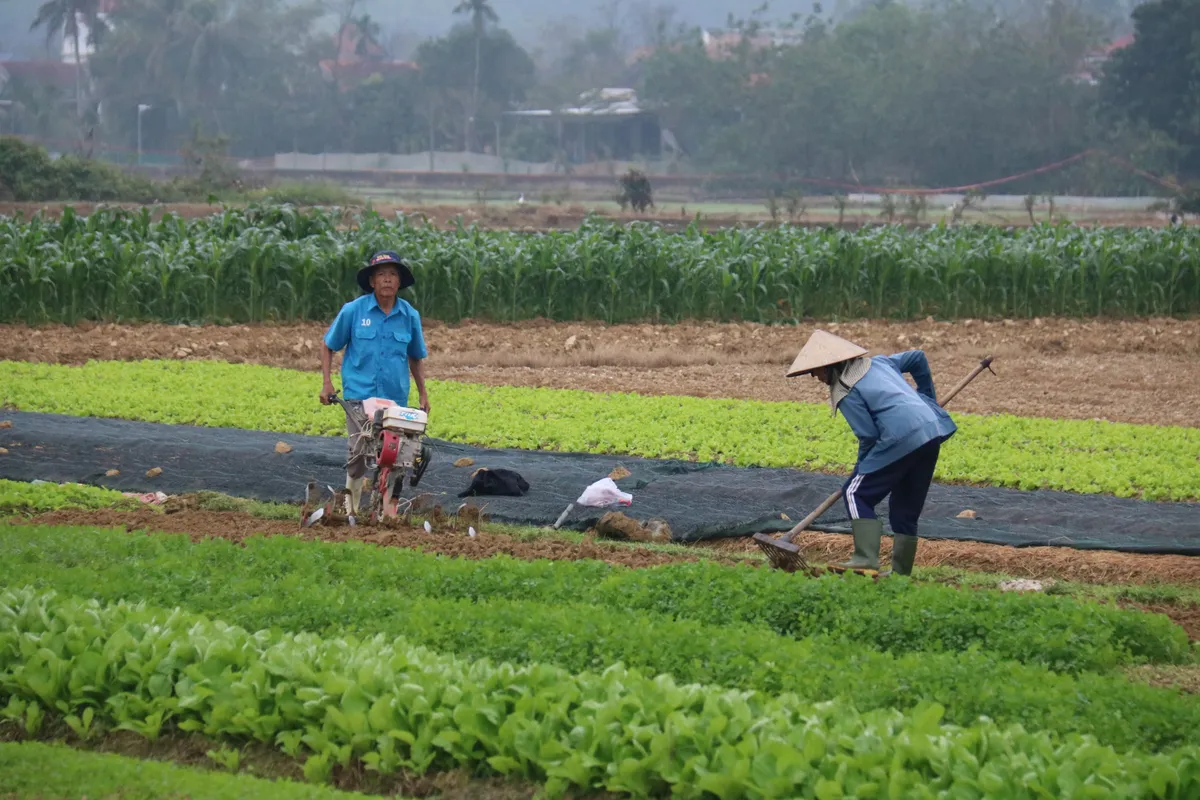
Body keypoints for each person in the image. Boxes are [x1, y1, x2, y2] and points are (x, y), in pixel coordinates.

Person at [786, 330, 957, 576]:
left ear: (832, 366)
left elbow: (868, 436)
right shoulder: (880, 363)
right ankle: (900, 575)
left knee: (856, 493)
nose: (815, 377)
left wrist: (861, 469)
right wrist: (927, 397)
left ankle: (865, 559)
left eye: (817, 371)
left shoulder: (846, 389)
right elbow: (917, 357)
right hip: (931, 432)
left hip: (900, 438)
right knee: (905, 508)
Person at [320, 250, 430, 514]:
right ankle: (351, 509)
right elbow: (328, 346)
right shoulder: (353, 311)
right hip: (360, 395)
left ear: (400, 281)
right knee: (359, 452)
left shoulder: (409, 316)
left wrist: (423, 393)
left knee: (396, 455)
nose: (387, 280)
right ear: (372, 281)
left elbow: (415, 357)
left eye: (393, 274)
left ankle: (385, 511)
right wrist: (327, 382)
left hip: (395, 397)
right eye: (381, 275)